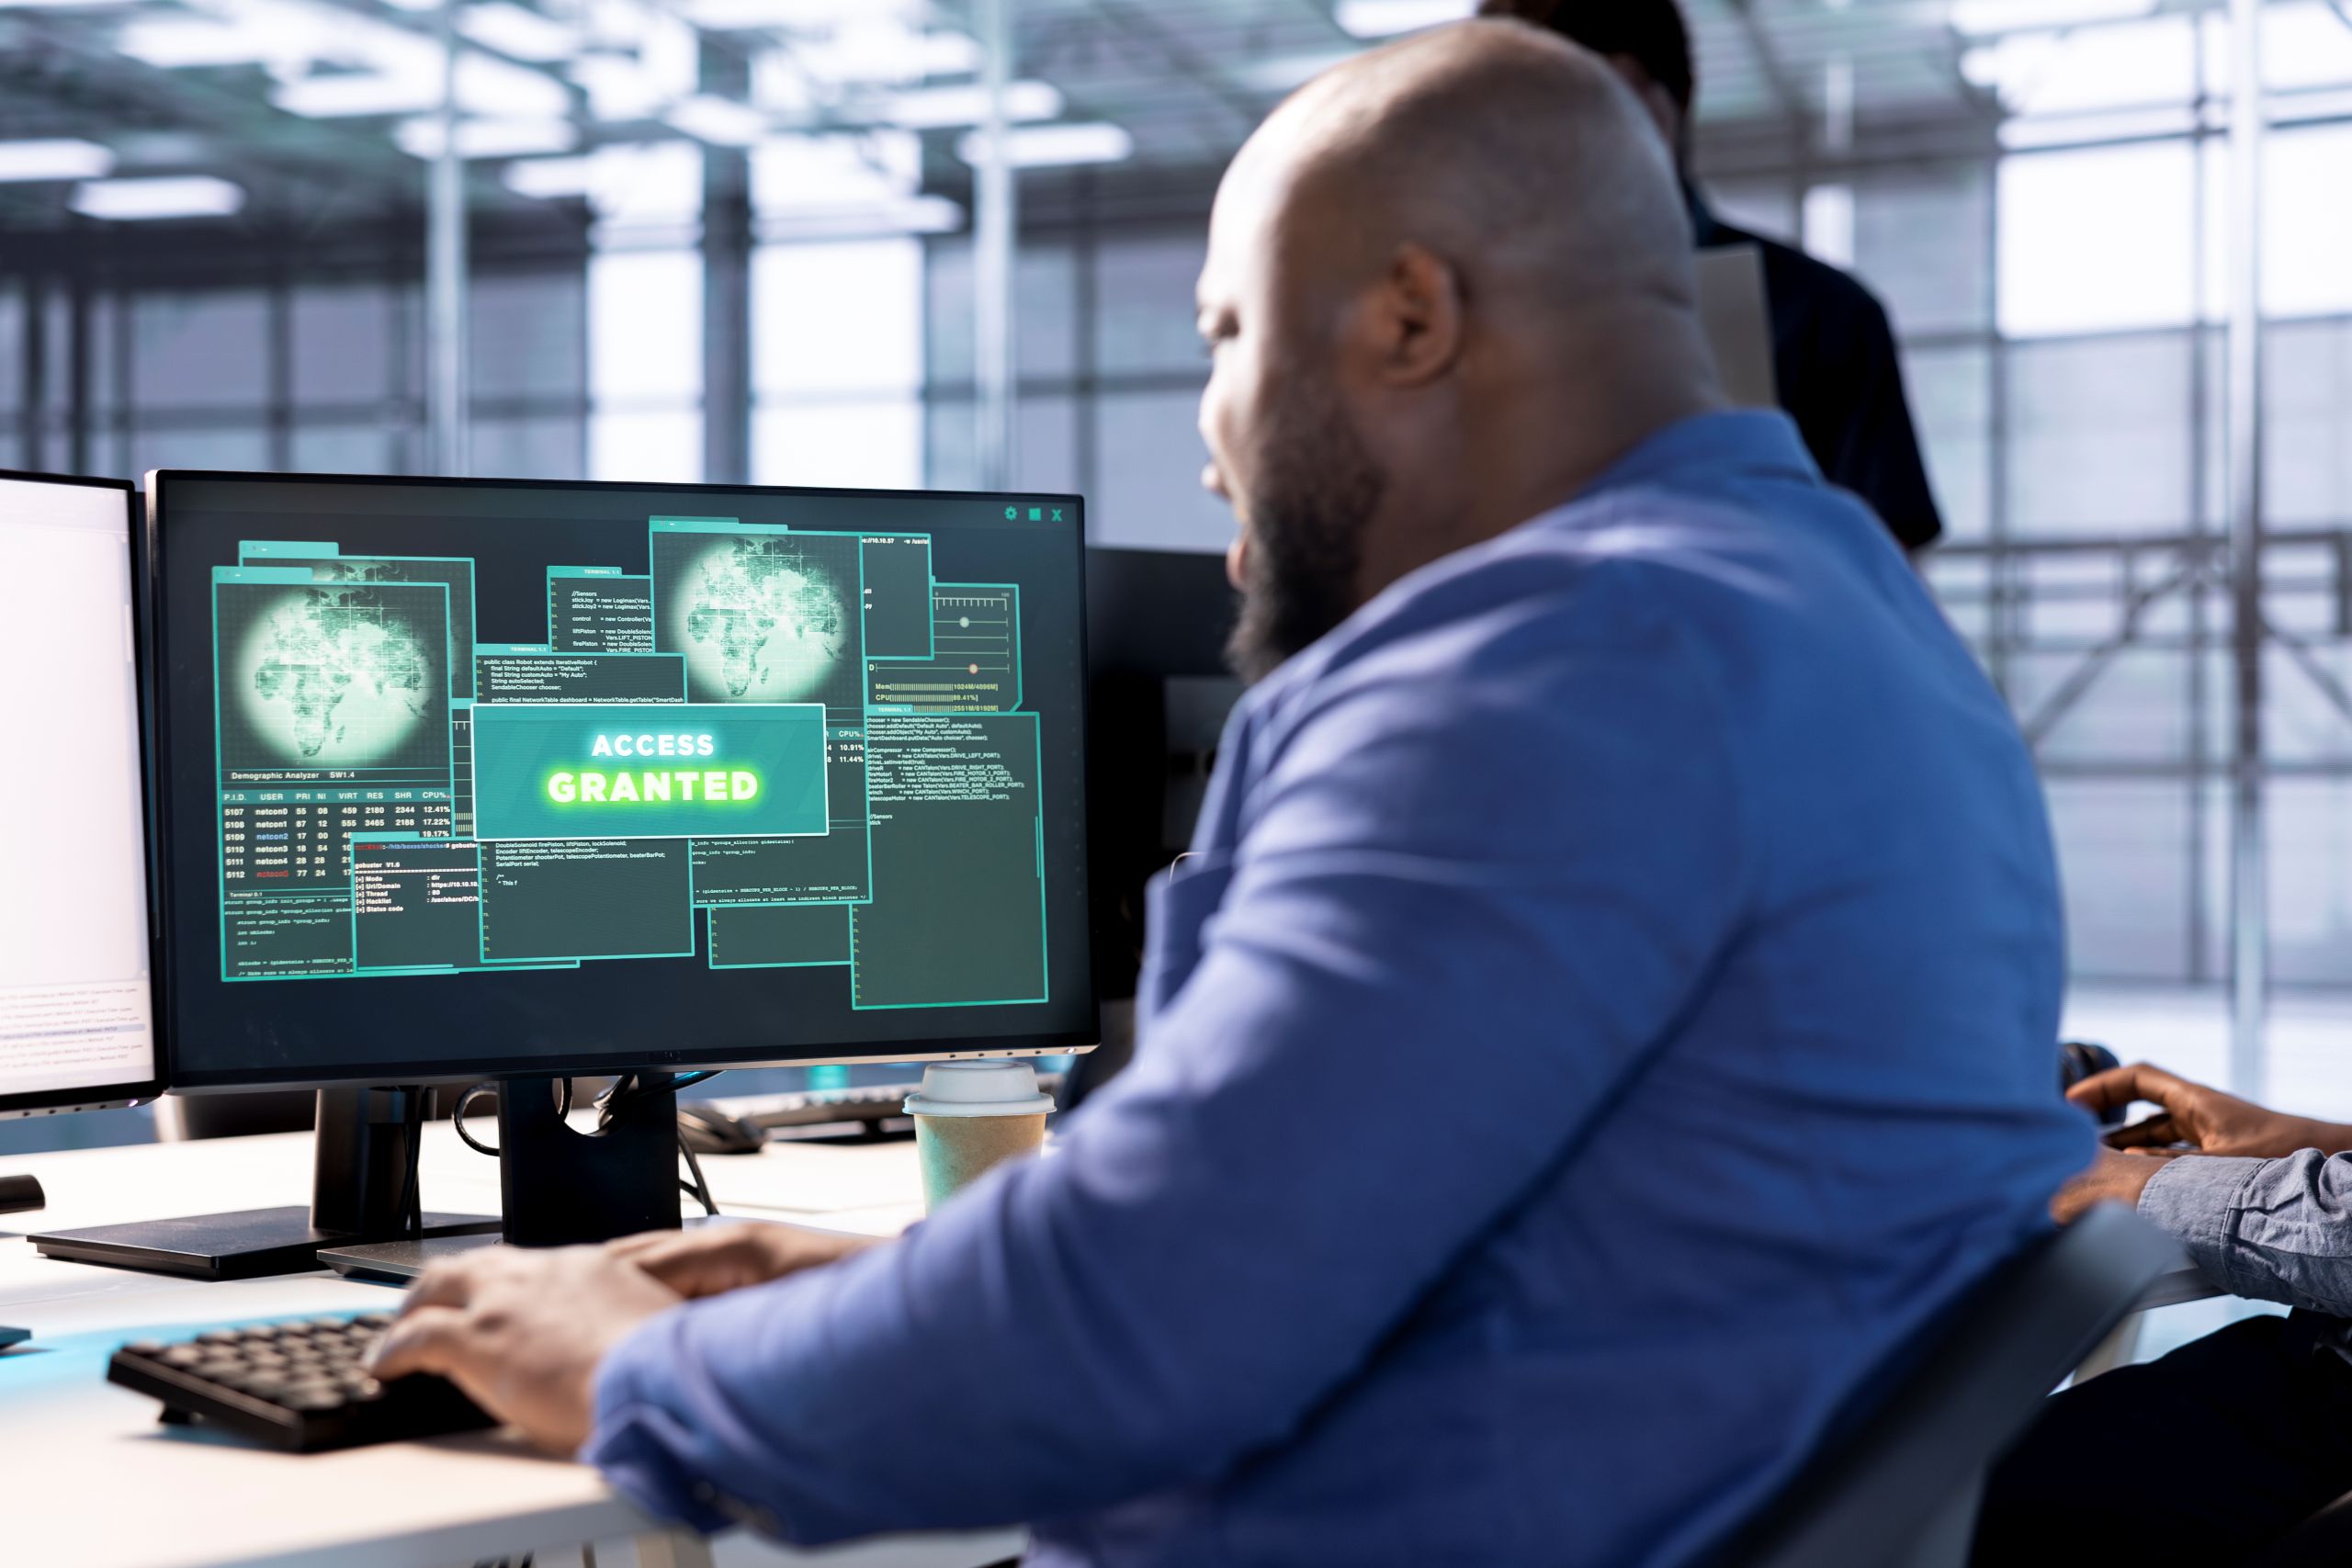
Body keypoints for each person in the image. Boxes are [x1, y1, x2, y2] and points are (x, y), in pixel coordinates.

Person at [369, 22, 2090, 1566]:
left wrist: (629, 1363)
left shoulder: (1555, 664)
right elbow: (1431, 1247)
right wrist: (899, 1302)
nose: (1211, 432)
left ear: (1411, 317)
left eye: (1229, 332)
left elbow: (1139, 1326)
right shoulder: (1836, 618)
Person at [1479, 0, 1947, 554]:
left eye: (1590, 108)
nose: (1560, 148)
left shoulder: (1816, 315)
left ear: (1666, 108)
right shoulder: (1465, 315)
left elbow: (1884, 568)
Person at [1975, 1063, 2352, 1565]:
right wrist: (2325, 1144)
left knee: (1943, 1501)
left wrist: (2117, 1182)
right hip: (2312, 1364)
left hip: (2327, 1419)